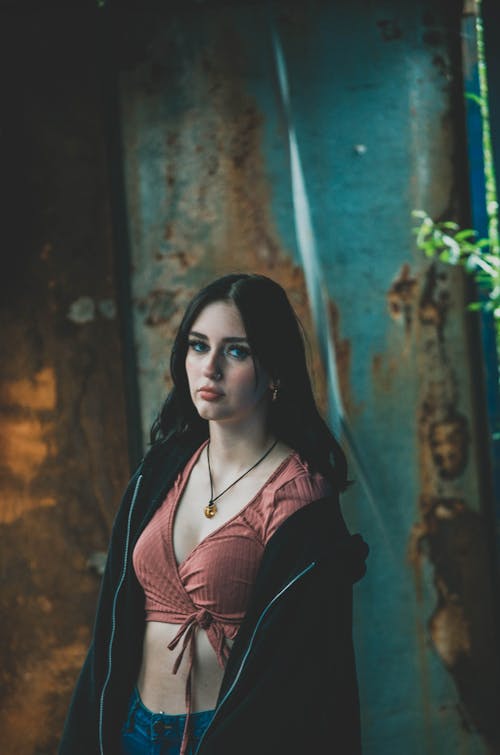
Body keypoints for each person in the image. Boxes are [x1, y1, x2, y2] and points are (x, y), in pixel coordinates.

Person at [59, 272, 369, 755]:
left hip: (225, 739)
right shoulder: (159, 470)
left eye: (236, 351)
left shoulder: (300, 500)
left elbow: (311, 672)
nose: (210, 369)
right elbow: (112, 625)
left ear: (276, 369)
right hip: (131, 730)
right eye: (198, 346)